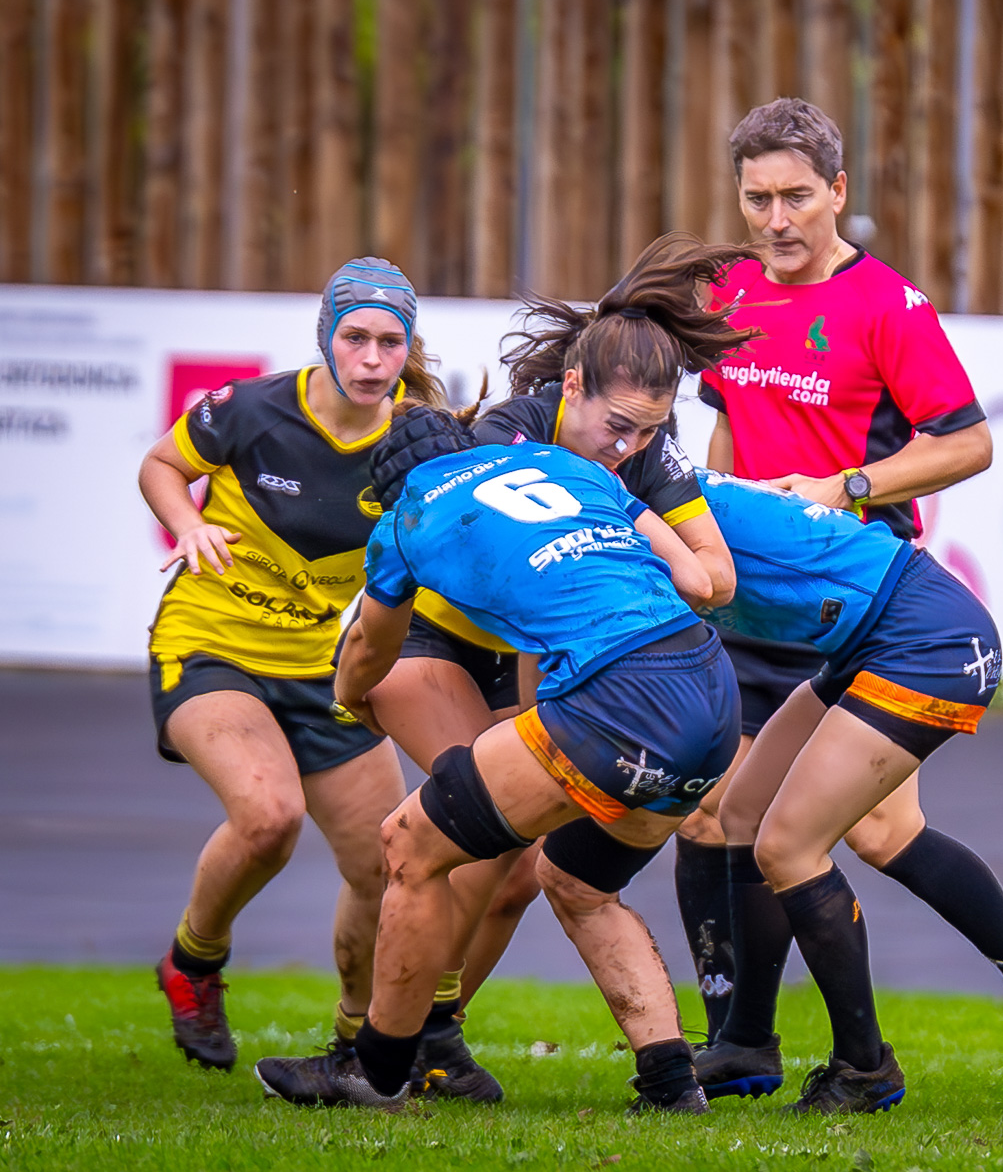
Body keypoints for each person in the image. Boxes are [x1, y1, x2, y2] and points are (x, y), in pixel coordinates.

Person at [681, 96, 1003, 1101]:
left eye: (796, 197)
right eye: (757, 198)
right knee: (727, 817)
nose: (776, 219)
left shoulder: (887, 307)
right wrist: (708, 557)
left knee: (850, 832)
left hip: (867, 603)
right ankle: (745, 1038)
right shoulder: (728, 292)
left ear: (839, 193)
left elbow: (968, 443)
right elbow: (726, 445)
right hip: (765, 601)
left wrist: (843, 488)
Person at [351, 234, 749, 1102]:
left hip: (562, 653)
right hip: (446, 638)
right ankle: (410, 1041)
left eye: (648, 431)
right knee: (451, 835)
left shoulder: (639, 452)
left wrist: (629, 507)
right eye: (617, 428)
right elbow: (537, 603)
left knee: (526, 867)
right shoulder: (509, 431)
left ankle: (432, 1037)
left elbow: (715, 579)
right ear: (570, 389)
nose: (628, 446)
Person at [252, 409, 738, 1113]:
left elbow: (368, 649)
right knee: (579, 884)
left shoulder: (405, 518)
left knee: (408, 844)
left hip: (620, 692)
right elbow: (691, 576)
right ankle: (670, 1085)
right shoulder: (563, 464)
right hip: (708, 685)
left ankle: (377, 1070)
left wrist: (351, 698)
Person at [651, 466, 1003, 1113]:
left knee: (791, 846)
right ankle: (746, 1038)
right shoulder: (652, 489)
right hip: (870, 637)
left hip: (926, 637)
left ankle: (864, 1066)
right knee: (750, 812)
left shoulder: (647, 504)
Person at [138, 258, 442, 1072]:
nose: (373, 358)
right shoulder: (253, 408)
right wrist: (186, 526)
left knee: (390, 858)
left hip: (320, 664)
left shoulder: (414, 442)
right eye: (355, 337)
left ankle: (354, 1041)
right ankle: (193, 963)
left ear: (407, 347)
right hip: (210, 641)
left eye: (390, 341)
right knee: (269, 818)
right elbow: (161, 466)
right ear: (326, 336)